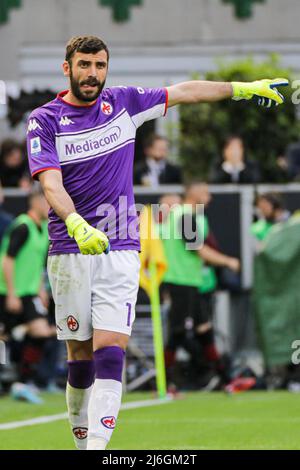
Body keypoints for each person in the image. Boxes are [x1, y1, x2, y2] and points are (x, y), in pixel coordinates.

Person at [25, 34, 288, 450]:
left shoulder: (125, 103)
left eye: (99, 65)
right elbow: (50, 183)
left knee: (110, 348)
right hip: (70, 248)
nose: (92, 74)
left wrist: (241, 89)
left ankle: (96, 448)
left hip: (122, 245)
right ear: (67, 68)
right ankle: (80, 437)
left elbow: (185, 92)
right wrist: (76, 223)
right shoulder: (45, 119)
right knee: (79, 354)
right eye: (84, 65)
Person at [159, 182, 239, 389]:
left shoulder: (188, 215)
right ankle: (164, 383)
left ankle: (226, 379)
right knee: (177, 333)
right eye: (205, 192)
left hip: (191, 281)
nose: (210, 197)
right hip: (180, 281)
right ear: (193, 194)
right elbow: (199, 250)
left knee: (204, 330)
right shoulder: (184, 215)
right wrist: (228, 261)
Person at [0, 187, 55, 402]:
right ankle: (8, 382)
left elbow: (37, 264)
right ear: (36, 202)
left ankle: (22, 380)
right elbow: (8, 259)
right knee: (2, 338)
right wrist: (12, 293)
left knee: (42, 332)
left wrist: (41, 289)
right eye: (47, 201)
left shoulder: (43, 228)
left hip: (30, 292)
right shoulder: (22, 226)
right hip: (10, 291)